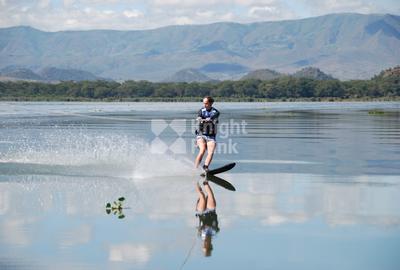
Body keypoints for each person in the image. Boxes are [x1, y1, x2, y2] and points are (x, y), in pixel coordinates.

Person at [195, 96, 220, 172]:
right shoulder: (201, 110)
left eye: (206, 103)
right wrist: (199, 118)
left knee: (210, 152)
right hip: (201, 135)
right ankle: (195, 169)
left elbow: (213, 117)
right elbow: (199, 115)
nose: (204, 105)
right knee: (202, 150)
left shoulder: (216, 112)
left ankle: (205, 167)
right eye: (204, 103)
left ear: (211, 103)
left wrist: (210, 119)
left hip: (211, 136)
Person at [195, 180, 220, 257]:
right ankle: (205, 181)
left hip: (201, 212)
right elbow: (216, 226)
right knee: (210, 196)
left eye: (204, 246)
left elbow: (198, 226)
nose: (206, 244)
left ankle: (195, 181)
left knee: (202, 196)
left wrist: (200, 228)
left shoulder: (200, 235)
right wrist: (210, 227)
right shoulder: (214, 233)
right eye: (208, 246)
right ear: (211, 245)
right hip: (211, 211)